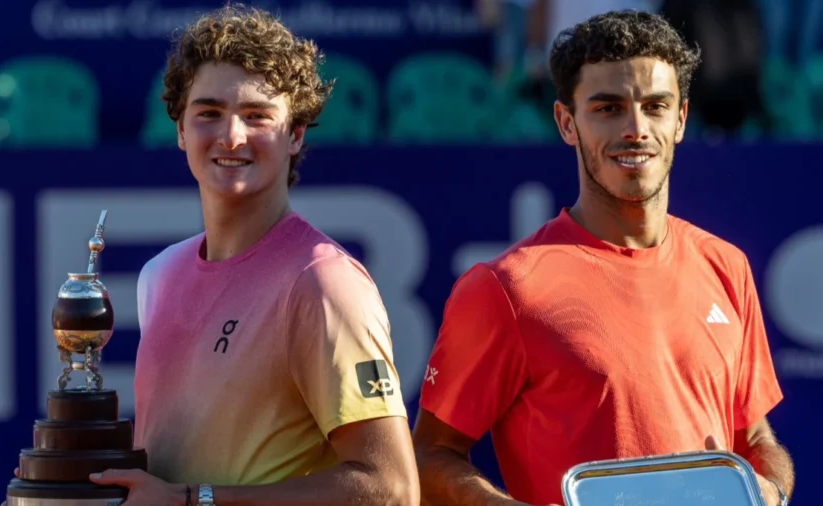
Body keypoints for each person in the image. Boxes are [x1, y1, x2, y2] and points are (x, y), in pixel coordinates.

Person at [412, 10, 794, 506]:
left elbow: (756, 439)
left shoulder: (727, 265)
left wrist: (774, 487)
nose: (636, 128)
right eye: (608, 108)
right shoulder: (504, 287)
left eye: (655, 106)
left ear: (680, 119)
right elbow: (428, 457)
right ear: (567, 122)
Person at [86, 4, 419, 505]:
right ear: (180, 130)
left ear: (296, 135)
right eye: (209, 113)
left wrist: (191, 501)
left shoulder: (323, 282)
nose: (231, 136)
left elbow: (390, 488)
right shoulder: (159, 275)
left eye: (257, 116)